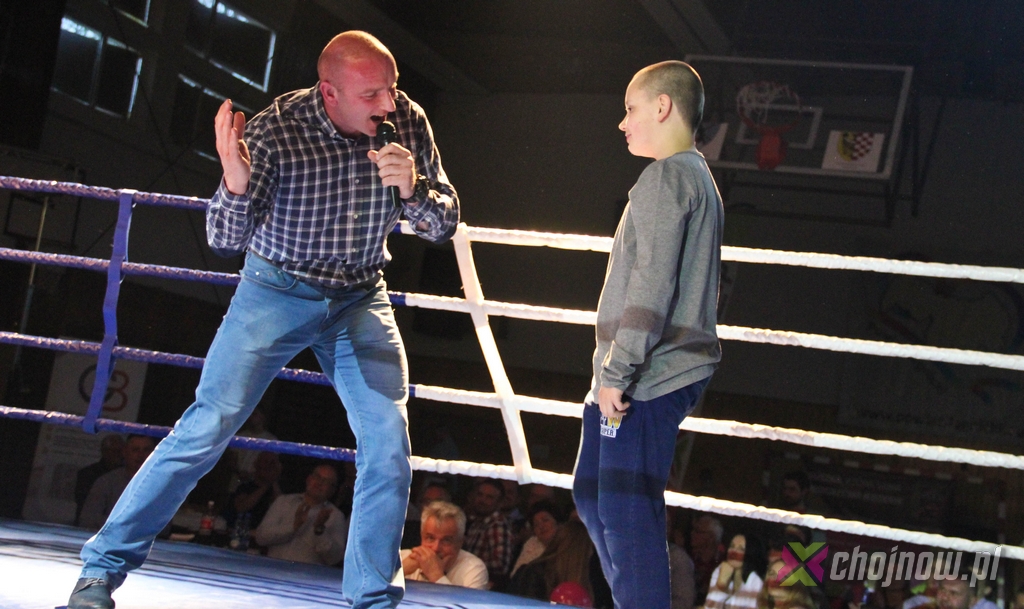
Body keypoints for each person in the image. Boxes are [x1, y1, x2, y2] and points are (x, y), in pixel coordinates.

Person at [66, 30, 459, 609]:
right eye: (372, 94)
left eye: (392, 88)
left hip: (359, 296)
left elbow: (444, 222)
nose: (388, 103)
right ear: (329, 92)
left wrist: (416, 189)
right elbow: (223, 240)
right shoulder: (277, 130)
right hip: (276, 290)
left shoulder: (408, 120)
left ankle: (374, 600)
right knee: (207, 427)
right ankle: (99, 571)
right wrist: (234, 180)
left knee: (388, 443)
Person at [572, 59, 723, 609]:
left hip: (648, 372)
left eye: (630, 109)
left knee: (624, 510)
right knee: (593, 495)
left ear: (662, 107)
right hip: (643, 368)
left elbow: (652, 283)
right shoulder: (696, 176)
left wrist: (618, 371)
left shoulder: (667, 177)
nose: (623, 122)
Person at [252, 463, 348, 566]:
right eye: (317, 477)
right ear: (308, 479)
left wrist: (319, 530)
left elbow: (334, 559)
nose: (319, 483)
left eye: (326, 481)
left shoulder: (335, 516)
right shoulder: (283, 502)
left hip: (307, 575)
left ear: (332, 490)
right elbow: (260, 538)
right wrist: (293, 526)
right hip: (273, 570)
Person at [400, 500, 488, 589]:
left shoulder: (474, 569)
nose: (436, 548)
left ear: (460, 543)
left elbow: (466, 600)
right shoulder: (402, 558)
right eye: (430, 538)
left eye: (446, 540)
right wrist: (401, 571)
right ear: (421, 537)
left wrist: (436, 575)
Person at [78, 435, 155, 531]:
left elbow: (165, 526)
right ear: (125, 453)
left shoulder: (162, 484)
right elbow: (88, 519)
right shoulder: (106, 482)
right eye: (135, 450)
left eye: (146, 450)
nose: (141, 455)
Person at [463, 478, 515, 589]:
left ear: (499, 503)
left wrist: (469, 563)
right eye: (480, 495)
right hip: (471, 580)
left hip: (486, 587)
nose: (482, 500)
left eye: (489, 497)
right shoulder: (476, 523)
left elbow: (501, 565)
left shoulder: (497, 524)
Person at [704, 533, 767, 609]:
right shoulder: (720, 570)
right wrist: (721, 586)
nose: (734, 552)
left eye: (741, 549)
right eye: (732, 546)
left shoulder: (756, 582)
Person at [74, 434, 125, 526]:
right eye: (114, 451)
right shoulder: (87, 474)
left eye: (120, 451)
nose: (118, 455)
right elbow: (84, 504)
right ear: (104, 451)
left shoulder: (130, 474)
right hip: (89, 525)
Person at [511, 500, 563, 576]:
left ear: (557, 522)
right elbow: (516, 576)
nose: (541, 526)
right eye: (536, 524)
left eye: (545, 520)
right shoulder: (532, 543)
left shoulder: (568, 542)